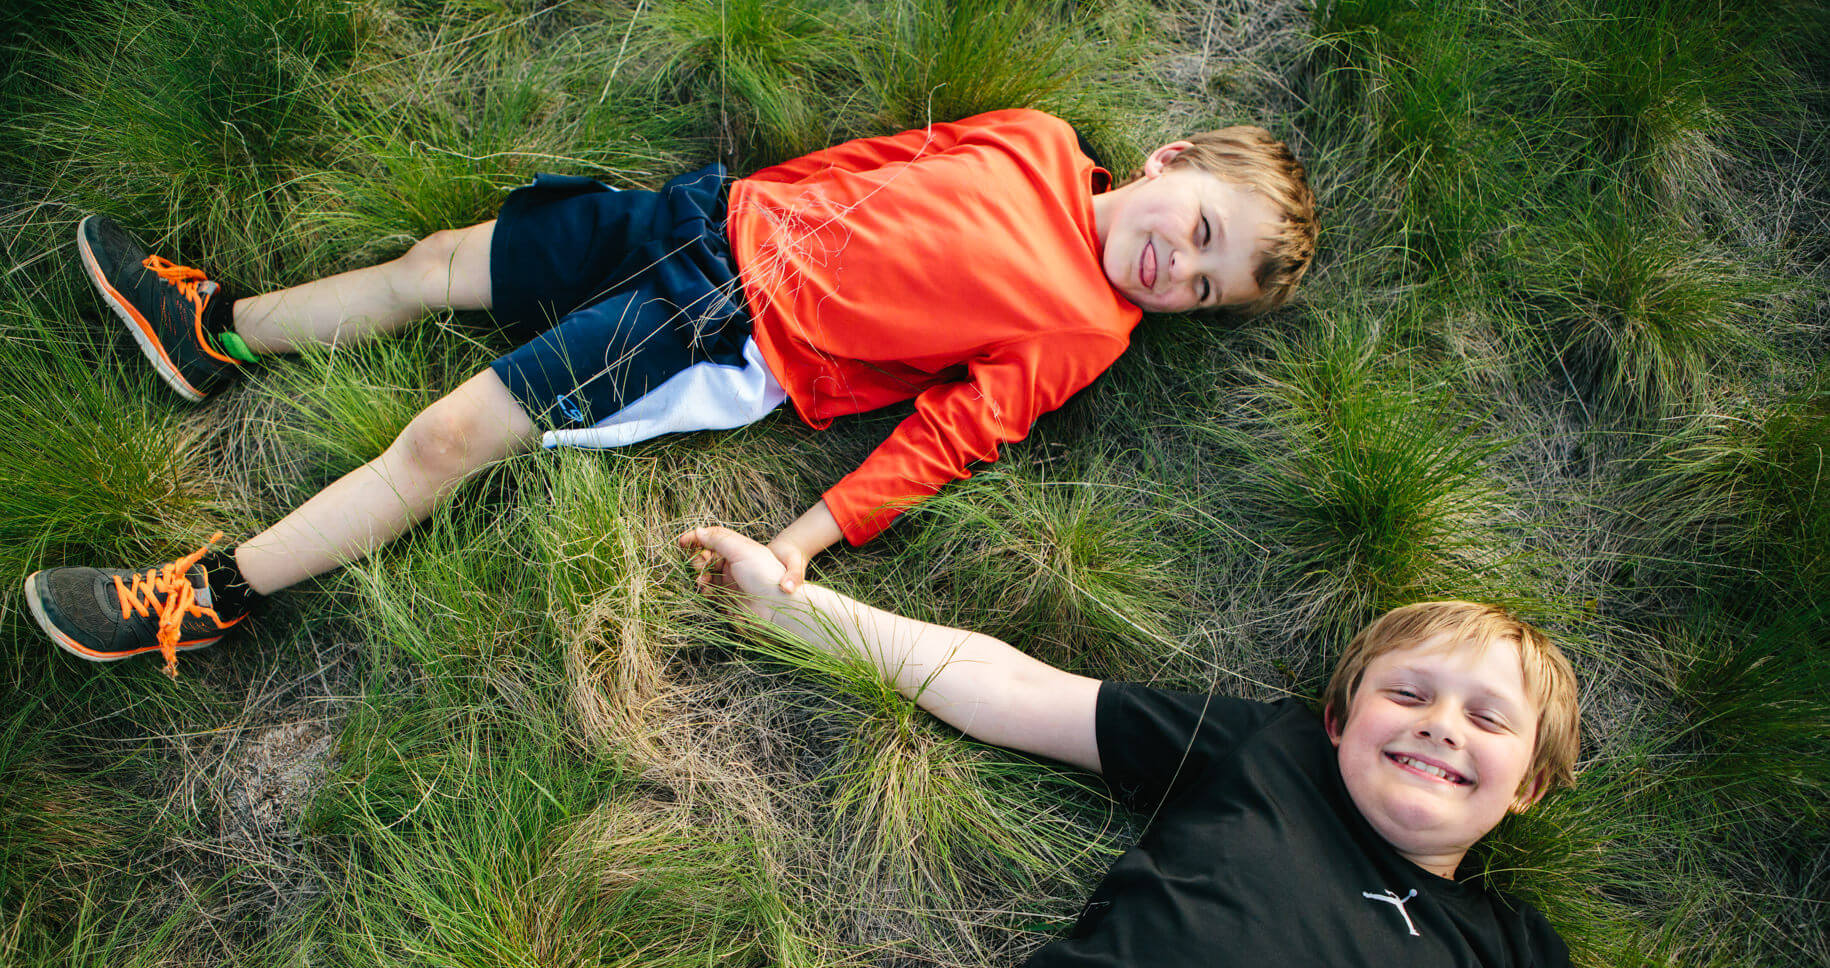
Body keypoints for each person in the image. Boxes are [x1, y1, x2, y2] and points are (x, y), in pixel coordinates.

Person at [23, 110, 1316, 674]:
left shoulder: (1083, 331)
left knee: (447, 437)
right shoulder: (1032, 138)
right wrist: (733, 205)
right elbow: (876, 161)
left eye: (1202, 288)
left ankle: (206, 596)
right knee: (435, 266)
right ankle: (215, 336)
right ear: (1167, 160)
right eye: (1196, 227)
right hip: (702, 220)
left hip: (719, 328)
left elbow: (944, 440)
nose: (1177, 265)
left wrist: (801, 544)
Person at [548, 524, 1594, 968]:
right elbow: (1018, 686)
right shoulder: (1269, 758)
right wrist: (799, 612)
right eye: (1408, 691)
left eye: (1487, 716)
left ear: (1532, 783)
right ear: (1337, 718)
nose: (1438, 724)